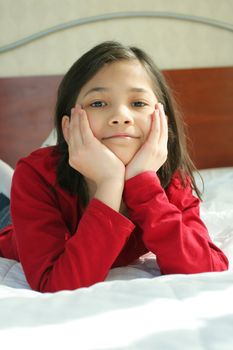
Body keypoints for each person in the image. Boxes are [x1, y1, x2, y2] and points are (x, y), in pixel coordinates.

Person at [0, 41, 228, 292]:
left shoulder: (168, 176)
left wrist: (142, 183)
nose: (121, 116)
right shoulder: (35, 176)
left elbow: (207, 269)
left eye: (138, 103)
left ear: (163, 121)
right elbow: (55, 284)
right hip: (11, 222)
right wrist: (110, 183)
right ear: (67, 128)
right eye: (98, 103)